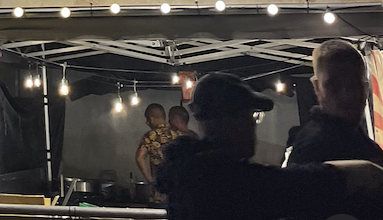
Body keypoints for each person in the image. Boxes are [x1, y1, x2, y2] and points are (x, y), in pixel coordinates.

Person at [156, 71, 383, 219]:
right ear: (233, 121)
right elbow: (295, 185)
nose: (253, 127)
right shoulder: (222, 181)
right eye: (251, 116)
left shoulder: (189, 172)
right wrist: (367, 171)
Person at [290, 40, 383, 167]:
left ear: (366, 88)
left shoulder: (359, 141)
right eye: (333, 86)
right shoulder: (315, 147)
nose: (347, 96)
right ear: (316, 86)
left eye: (355, 85)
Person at [135, 103, 177, 203]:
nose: (147, 123)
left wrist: (150, 179)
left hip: (159, 192)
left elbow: (139, 158)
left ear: (151, 119)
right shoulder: (177, 134)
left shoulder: (150, 136)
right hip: (176, 191)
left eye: (147, 120)